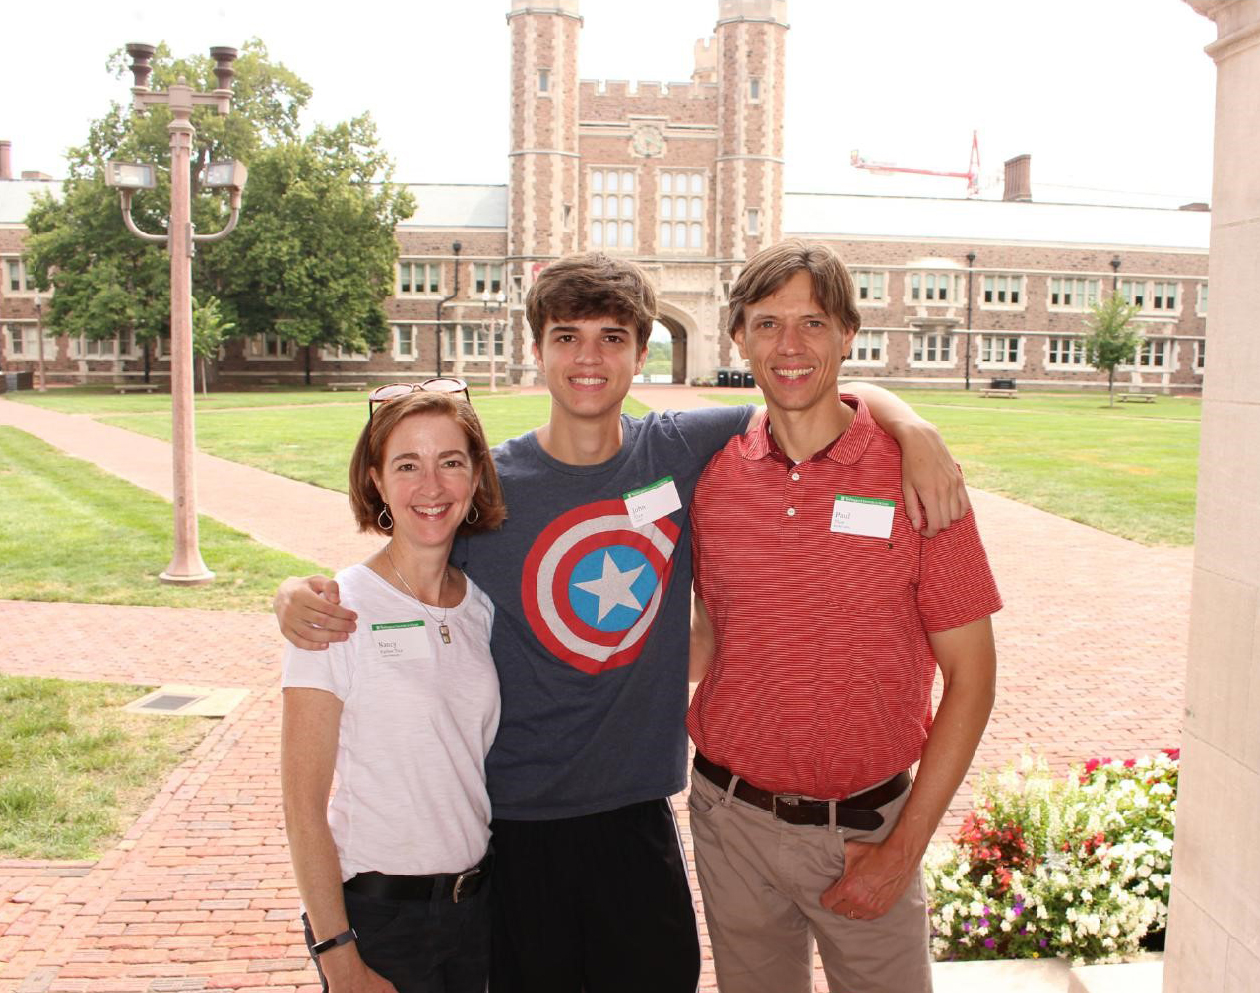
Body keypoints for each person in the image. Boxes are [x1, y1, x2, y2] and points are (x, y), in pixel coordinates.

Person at [275, 252, 970, 993]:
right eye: (567, 336)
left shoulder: (678, 448)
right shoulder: (485, 490)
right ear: (535, 349)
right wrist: (297, 596)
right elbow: (404, 560)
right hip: (515, 827)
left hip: (637, 813)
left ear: (643, 352)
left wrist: (909, 422)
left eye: (612, 337)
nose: (588, 358)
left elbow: (803, 386)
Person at [686, 240, 1002, 993]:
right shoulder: (711, 477)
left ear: (848, 334)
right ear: (737, 336)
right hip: (731, 824)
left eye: (813, 323)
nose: (789, 347)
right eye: (767, 324)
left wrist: (904, 848)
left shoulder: (921, 478)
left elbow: (974, 677)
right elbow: (705, 632)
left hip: (870, 830)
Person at [281, 386, 507, 993]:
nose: (431, 487)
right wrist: (338, 958)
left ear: (476, 474)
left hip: (477, 913)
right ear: (377, 481)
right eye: (407, 465)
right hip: (381, 923)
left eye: (451, 462)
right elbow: (303, 809)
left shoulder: (480, 607)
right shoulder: (336, 610)